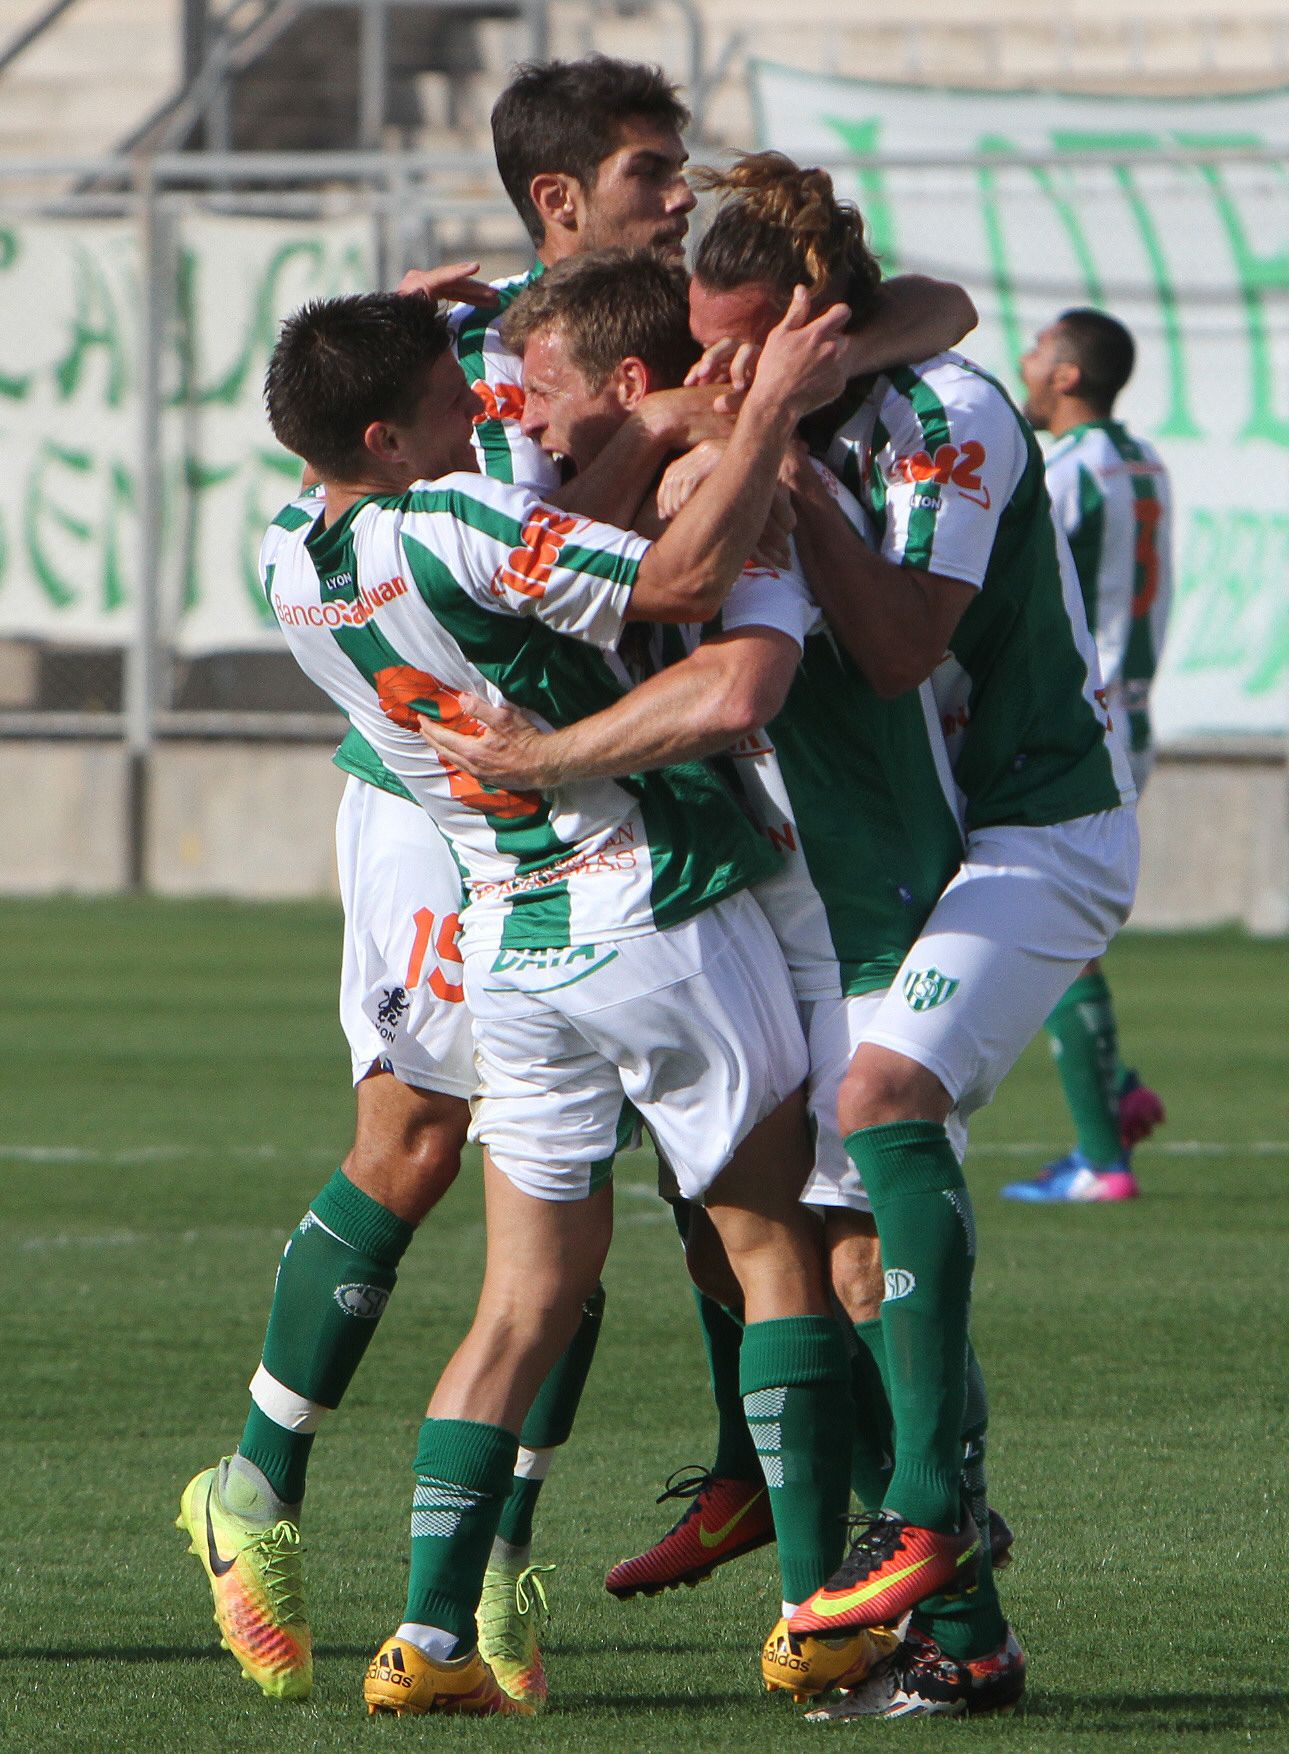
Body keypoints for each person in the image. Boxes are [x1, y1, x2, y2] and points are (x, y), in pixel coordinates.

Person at [258, 281, 879, 1719]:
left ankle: (427, 1643)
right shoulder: (455, 520)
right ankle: (815, 1621)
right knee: (771, 1246)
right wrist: (769, 411)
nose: (487, 419)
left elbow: (507, 552)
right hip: (648, 903)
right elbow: (676, 582)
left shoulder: (290, 557)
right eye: (449, 404)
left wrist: (647, 424)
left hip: (508, 942)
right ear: (387, 439)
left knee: (519, 1302)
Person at [415, 246, 982, 1702]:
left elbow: (740, 680)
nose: (524, 422)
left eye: (544, 395)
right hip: (673, 905)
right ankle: (818, 1584)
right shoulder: (591, 475)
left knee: (798, 1252)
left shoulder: (699, 491)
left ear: (625, 377)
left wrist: (747, 407)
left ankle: (915, 1588)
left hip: (745, 905)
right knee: (761, 1248)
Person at [679, 152, 1140, 1720]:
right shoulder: (786, 402)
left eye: (746, 347)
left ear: (818, 323)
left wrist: (788, 469)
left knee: (883, 1102)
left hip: (1041, 827)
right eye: (706, 350)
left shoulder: (954, 418)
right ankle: (966, 1639)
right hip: (883, 864)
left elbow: (893, 651)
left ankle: (933, 1506)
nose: (719, 377)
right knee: (848, 1244)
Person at [1002, 308, 1172, 1202]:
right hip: (1133, 713)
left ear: (1067, 375)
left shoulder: (1062, 471)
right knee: (1061, 926)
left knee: (1052, 928)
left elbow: (1017, 586)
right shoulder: (1144, 463)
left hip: (1077, 723)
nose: (1024, 362)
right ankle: (1116, 1089)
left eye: (1037, 351)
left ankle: (1103, 1158)